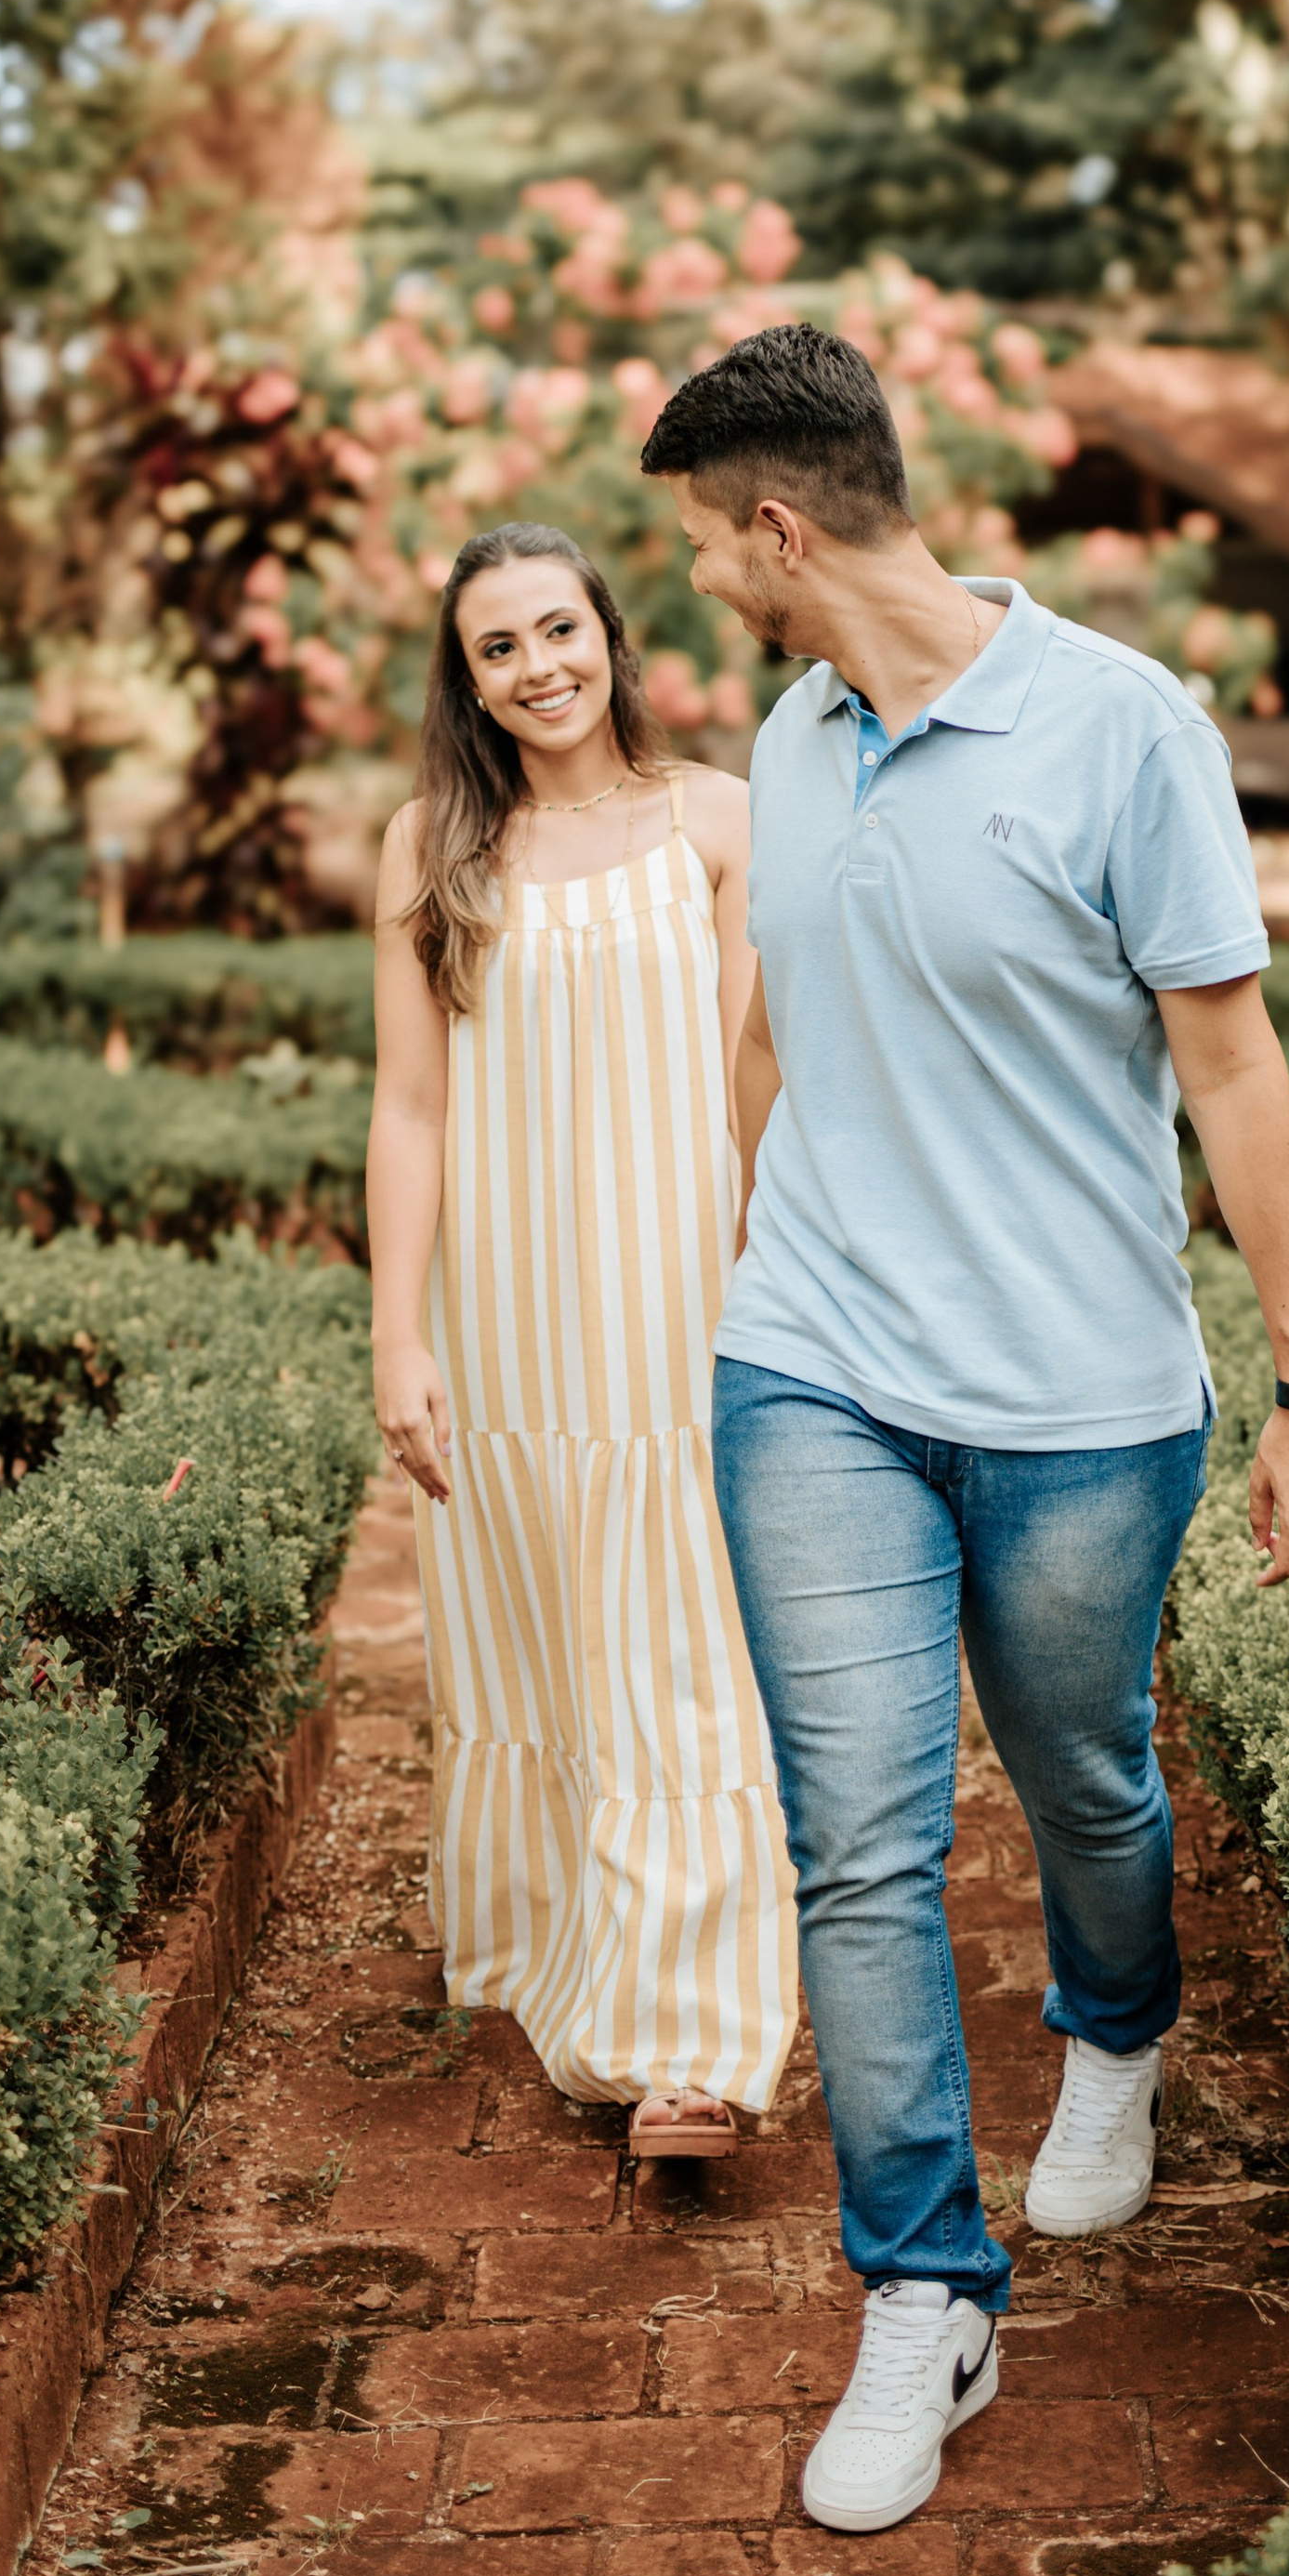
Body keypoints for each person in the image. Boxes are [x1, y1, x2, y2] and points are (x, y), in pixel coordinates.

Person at [638, 328, 1289, 2534]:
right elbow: (771, 1013)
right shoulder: (788, 736)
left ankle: (1115, 2028)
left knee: (1080, 1778)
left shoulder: (1119, 728)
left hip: (1076, 1400)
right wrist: (733, 1269)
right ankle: (919, 2295)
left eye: (697, 546)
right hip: (816, 1377)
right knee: (856, 1845)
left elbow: (1229, 1072)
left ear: (777, 525)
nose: (700, 587)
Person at [366, 520, 798, 2159]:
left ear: (612, 640)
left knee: (681, 1640)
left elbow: (754, 1071)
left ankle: (692, 2044)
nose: (538, 667)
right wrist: (399, 1334)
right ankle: (568, 1940)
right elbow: (409, 1108)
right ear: (466, 680)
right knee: (542, 1630)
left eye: (561, 630)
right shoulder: (430, 848)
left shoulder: (715, 821)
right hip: (502, 1313)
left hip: (675, 1295)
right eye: (499, 647)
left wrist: (780, 1259)